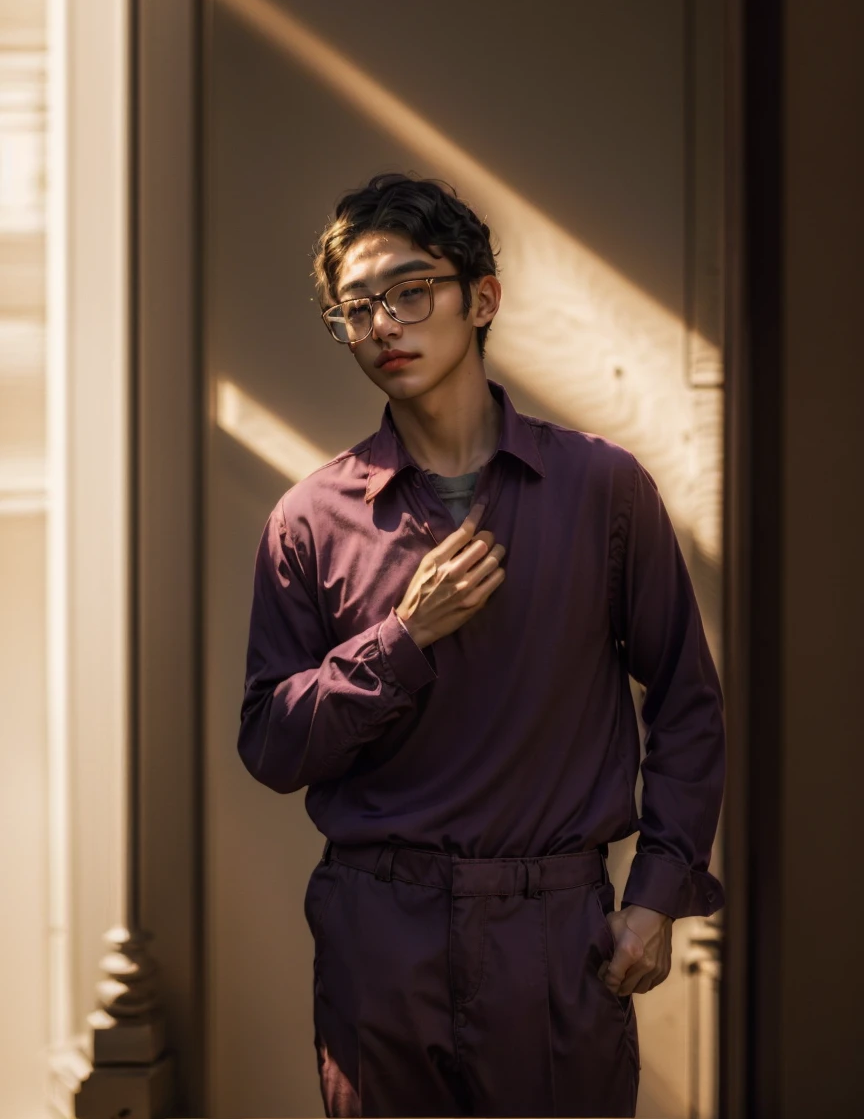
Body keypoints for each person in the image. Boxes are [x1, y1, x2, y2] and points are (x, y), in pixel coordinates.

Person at [238, 171, 726, 1119]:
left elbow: (686, 703)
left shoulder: (604, 492)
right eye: (356, 308)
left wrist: (658, 895)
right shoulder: (309, 520)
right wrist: (403, 638)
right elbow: (270, 745)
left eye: (410, 291)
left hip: (553, 930)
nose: (384, 323)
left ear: (482, 298)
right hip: (378, 932)